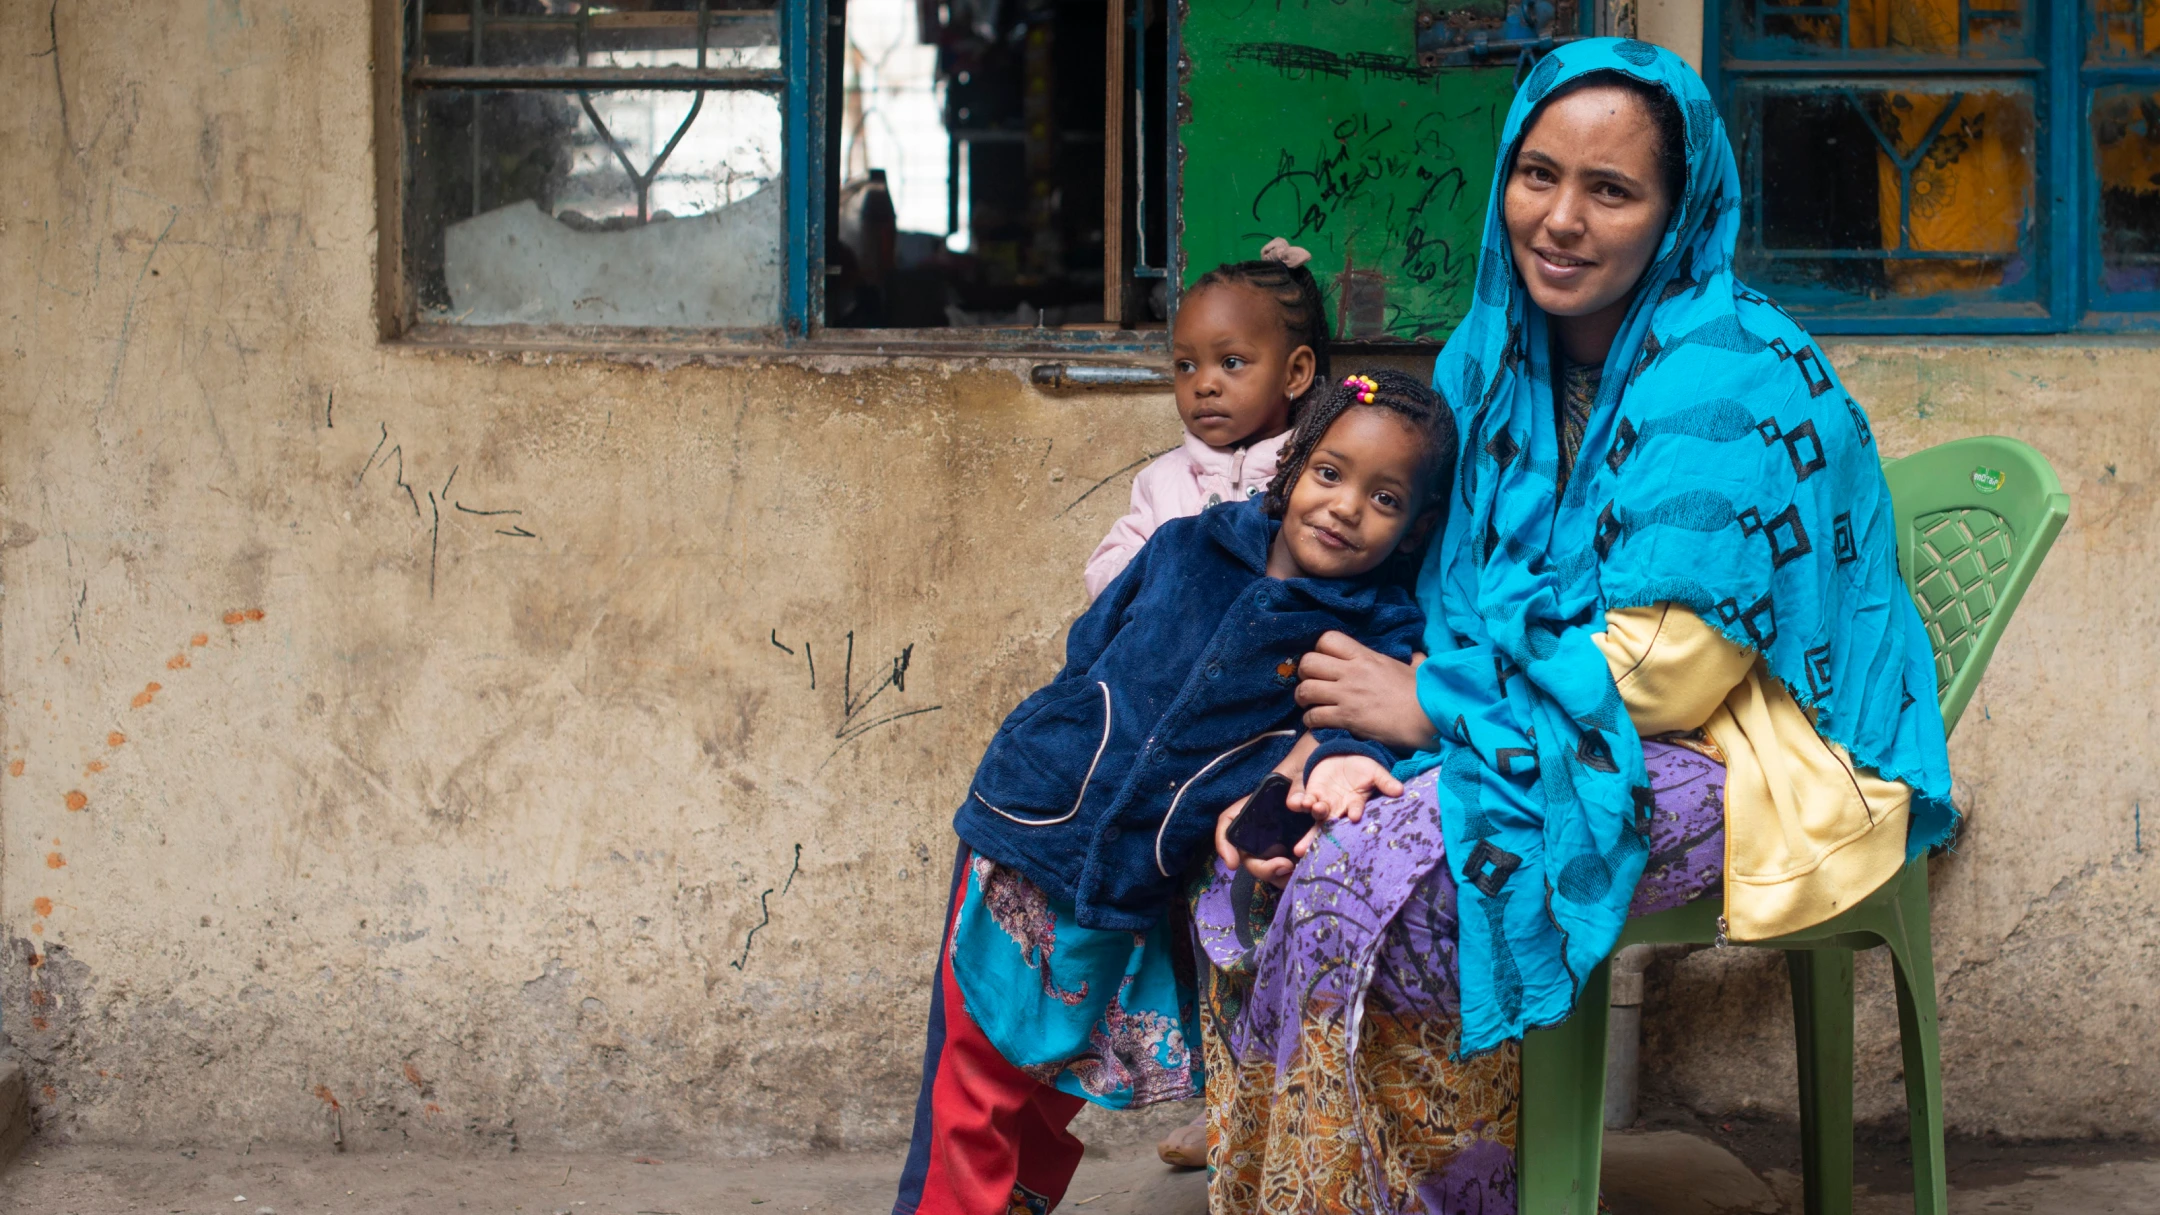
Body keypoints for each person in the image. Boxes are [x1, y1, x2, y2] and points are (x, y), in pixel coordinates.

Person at [1197, 40, 1956, 1213]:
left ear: (1677, 207)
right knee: (1267, 823)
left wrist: (1432, 708)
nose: (1558, 220)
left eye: (1611, 191)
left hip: (1752, 743)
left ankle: (1461, 1193)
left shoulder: (1733, 370)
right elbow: (1454, 591)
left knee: (1397, 886)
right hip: (1552, 702)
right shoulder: (1496, 357)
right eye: (1537, 174)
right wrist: (1362, 742)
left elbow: (1677, 674)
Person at [892, 370, 1460, 1215]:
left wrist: (1271, 803)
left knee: (1061, 1061)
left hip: (1137, 869)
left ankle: (1013, 1201)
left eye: (1383, 498)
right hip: (1030, 818)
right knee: (974, 1057)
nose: (1344, 507)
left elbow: (1345, 733)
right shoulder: (1186, 545)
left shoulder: (1372, 629)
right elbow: (1094, 644)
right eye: (1331, 474)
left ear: (1414, 531)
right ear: (1294, 465)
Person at [1084, 240, 1331, 601]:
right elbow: (1102, 577)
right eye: (1186, 365)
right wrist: (1173, 562)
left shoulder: (1317, 477)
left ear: (1294, 372)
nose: (1203, 385)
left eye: (1231, 362)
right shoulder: (1163, 480)